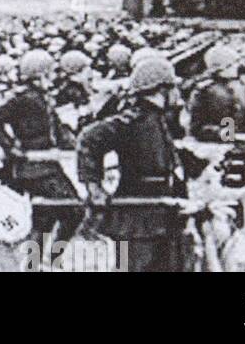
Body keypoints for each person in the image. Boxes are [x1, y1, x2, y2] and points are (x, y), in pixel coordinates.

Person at [77, 57, 190, 272]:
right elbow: (88, 139)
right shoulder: (133, 120)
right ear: (161, 89)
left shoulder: (158, 118)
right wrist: (94, 186)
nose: (177, 93)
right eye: (173, 87)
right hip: (137, 212)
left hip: (161, 209)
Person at [0, 49, 79, 242]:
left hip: (46, 164)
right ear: (39, 74)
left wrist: (73, 144)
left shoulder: (41, 96)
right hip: (34, 167)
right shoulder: (22, 97)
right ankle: (51, 261)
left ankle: (36, 264)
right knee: (74, 211)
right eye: (50, 72)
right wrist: (10, 148)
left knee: (45, 218)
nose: (54, 77)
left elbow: (56, 128)